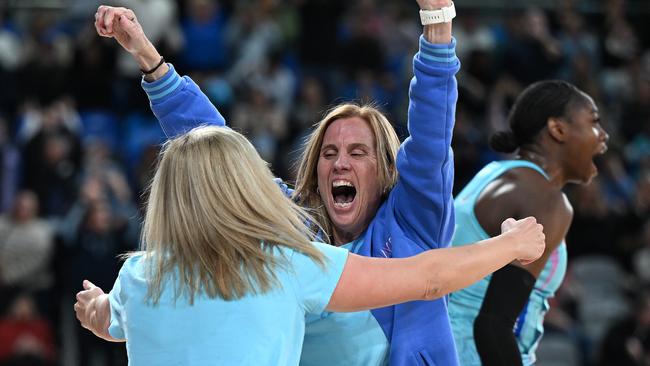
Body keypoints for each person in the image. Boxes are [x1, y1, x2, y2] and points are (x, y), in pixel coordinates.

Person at [94, 1, 461, 364]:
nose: (340, 163)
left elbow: (431, 137)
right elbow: (211, 147)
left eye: (358, 153)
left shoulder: (414, 221)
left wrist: (438, 20)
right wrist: (147, 55)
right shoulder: (289, 228)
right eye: (328, 153)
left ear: (385, 170)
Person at [74, 125, 546, 366]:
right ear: (244, 187)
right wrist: (509, 244)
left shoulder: (138, 278)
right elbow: (428, 279)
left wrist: (96, 306)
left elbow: (109, 322)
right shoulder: (286, 266)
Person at [447, 80, 610, 366]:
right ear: (558, 129)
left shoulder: (496, 172)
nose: (604, 137)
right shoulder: (545, 199)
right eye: (594, 122)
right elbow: (492, 328)